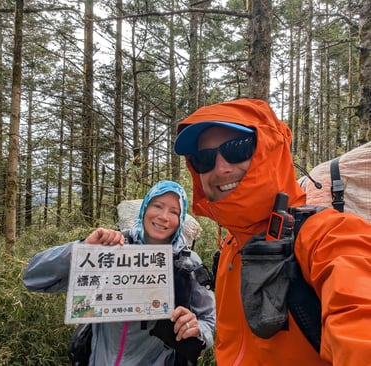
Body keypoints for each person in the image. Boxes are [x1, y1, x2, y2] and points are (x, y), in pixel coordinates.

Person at [173, 98, 371, 366]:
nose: (220, 168)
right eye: (204, 159)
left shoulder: (328, 235)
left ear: (271, 149)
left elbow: (360, 323)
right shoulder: (230, 248)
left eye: (238, 148)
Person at [23, 180, 215, 366]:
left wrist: (196, 329)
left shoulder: (188, 263)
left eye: (174, 211)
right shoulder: (112, 249)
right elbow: (33, 278)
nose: (164, 216)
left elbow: (209, 321)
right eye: (157, 205)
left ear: (180, 220)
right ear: (145, 208)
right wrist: (83, 249)